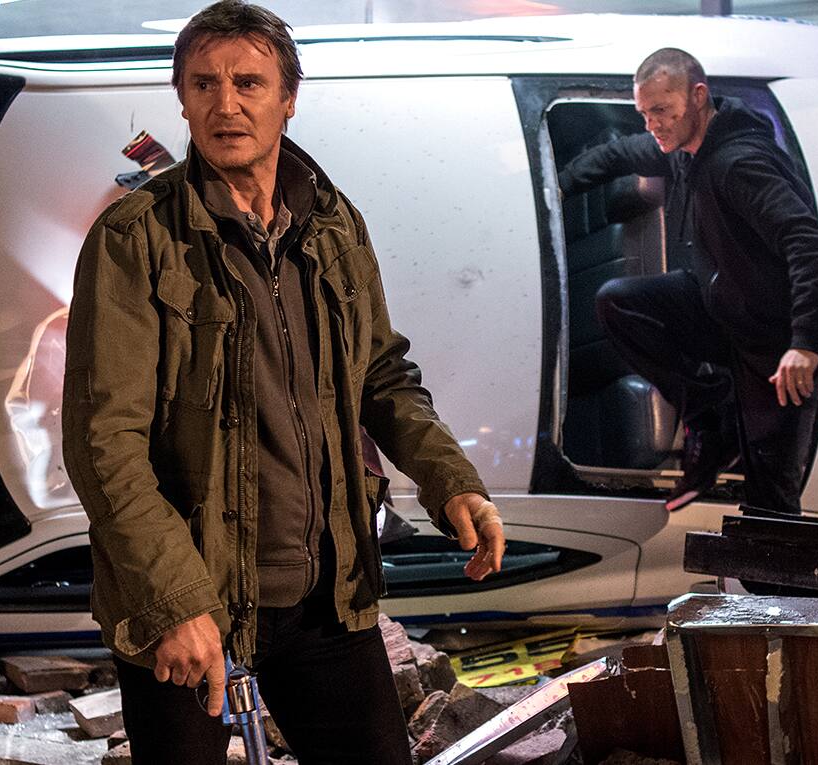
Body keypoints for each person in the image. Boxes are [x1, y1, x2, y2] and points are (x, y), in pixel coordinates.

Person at [61, 3, 505, 762]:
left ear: (289, 98)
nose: (225, 104)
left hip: (326, 591)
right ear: (181, 100)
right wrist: (173, 600)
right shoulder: (136, 238)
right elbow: (104, 442)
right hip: (192, 594)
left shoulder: (332, 224)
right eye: (204, 84)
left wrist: (451, 480)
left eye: (248, 83)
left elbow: (381, 374)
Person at [558, 48, 818, 515]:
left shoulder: (739, 163)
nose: (653, 124)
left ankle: (772, 555)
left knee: (770, 501)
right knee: (618, 302)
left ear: (697, 96)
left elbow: (811, 246)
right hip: (725, 312)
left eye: (662, 110)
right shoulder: (682, 150)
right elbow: (618, 153)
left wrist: (807, 344)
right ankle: (711, 418)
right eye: (645, 114)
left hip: (775, 344)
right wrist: (559, 186)